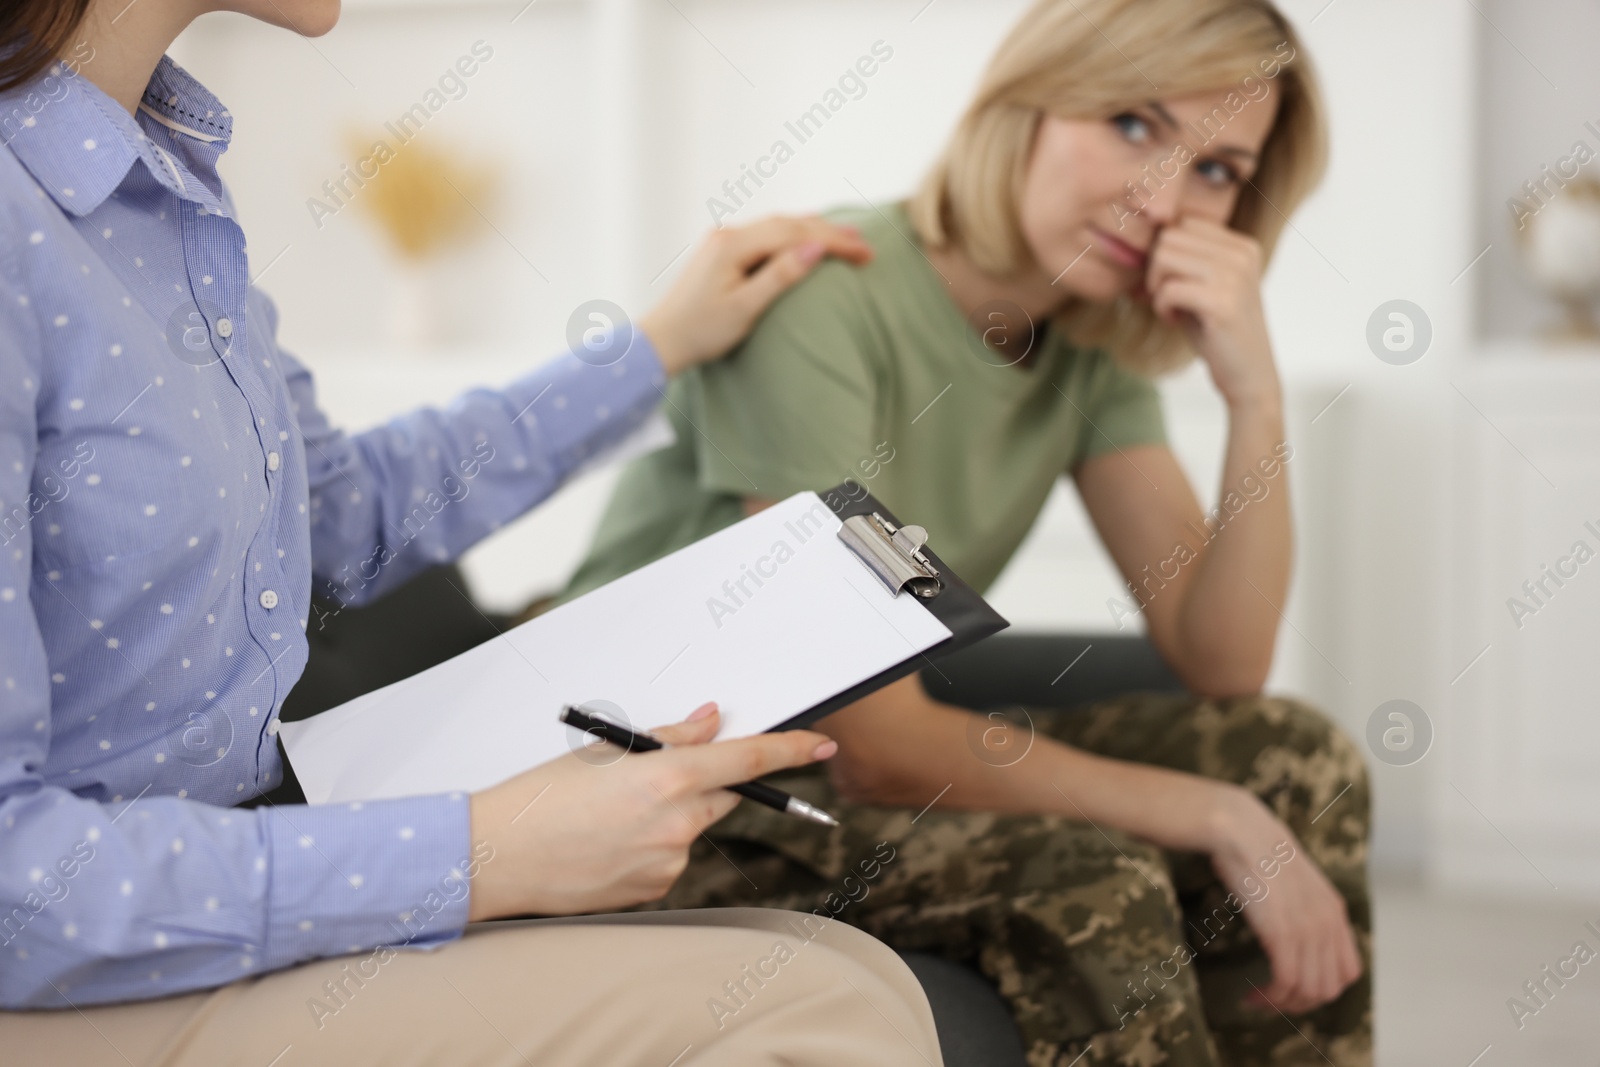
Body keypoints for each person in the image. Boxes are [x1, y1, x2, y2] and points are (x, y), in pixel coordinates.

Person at [0, 1, 951, 1064]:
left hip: (192, 895)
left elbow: (341, 506)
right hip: (50, 978)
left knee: (853, 971)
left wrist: (653, 349)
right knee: (813, 1011)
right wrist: (479, 852)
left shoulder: (162, 187)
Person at [558, 1, 1371, 1064]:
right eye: (1134, 122)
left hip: (822, 751)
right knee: (1096, 868)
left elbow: (1222, 660)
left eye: (1216, 169)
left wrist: (1254, 397)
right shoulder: (824, 300)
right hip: (664, 771)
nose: (1163, 199)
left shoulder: (1091, 334)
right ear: (1024, 102)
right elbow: (881, 743)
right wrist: (1213, 812)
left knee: (1299, 760)